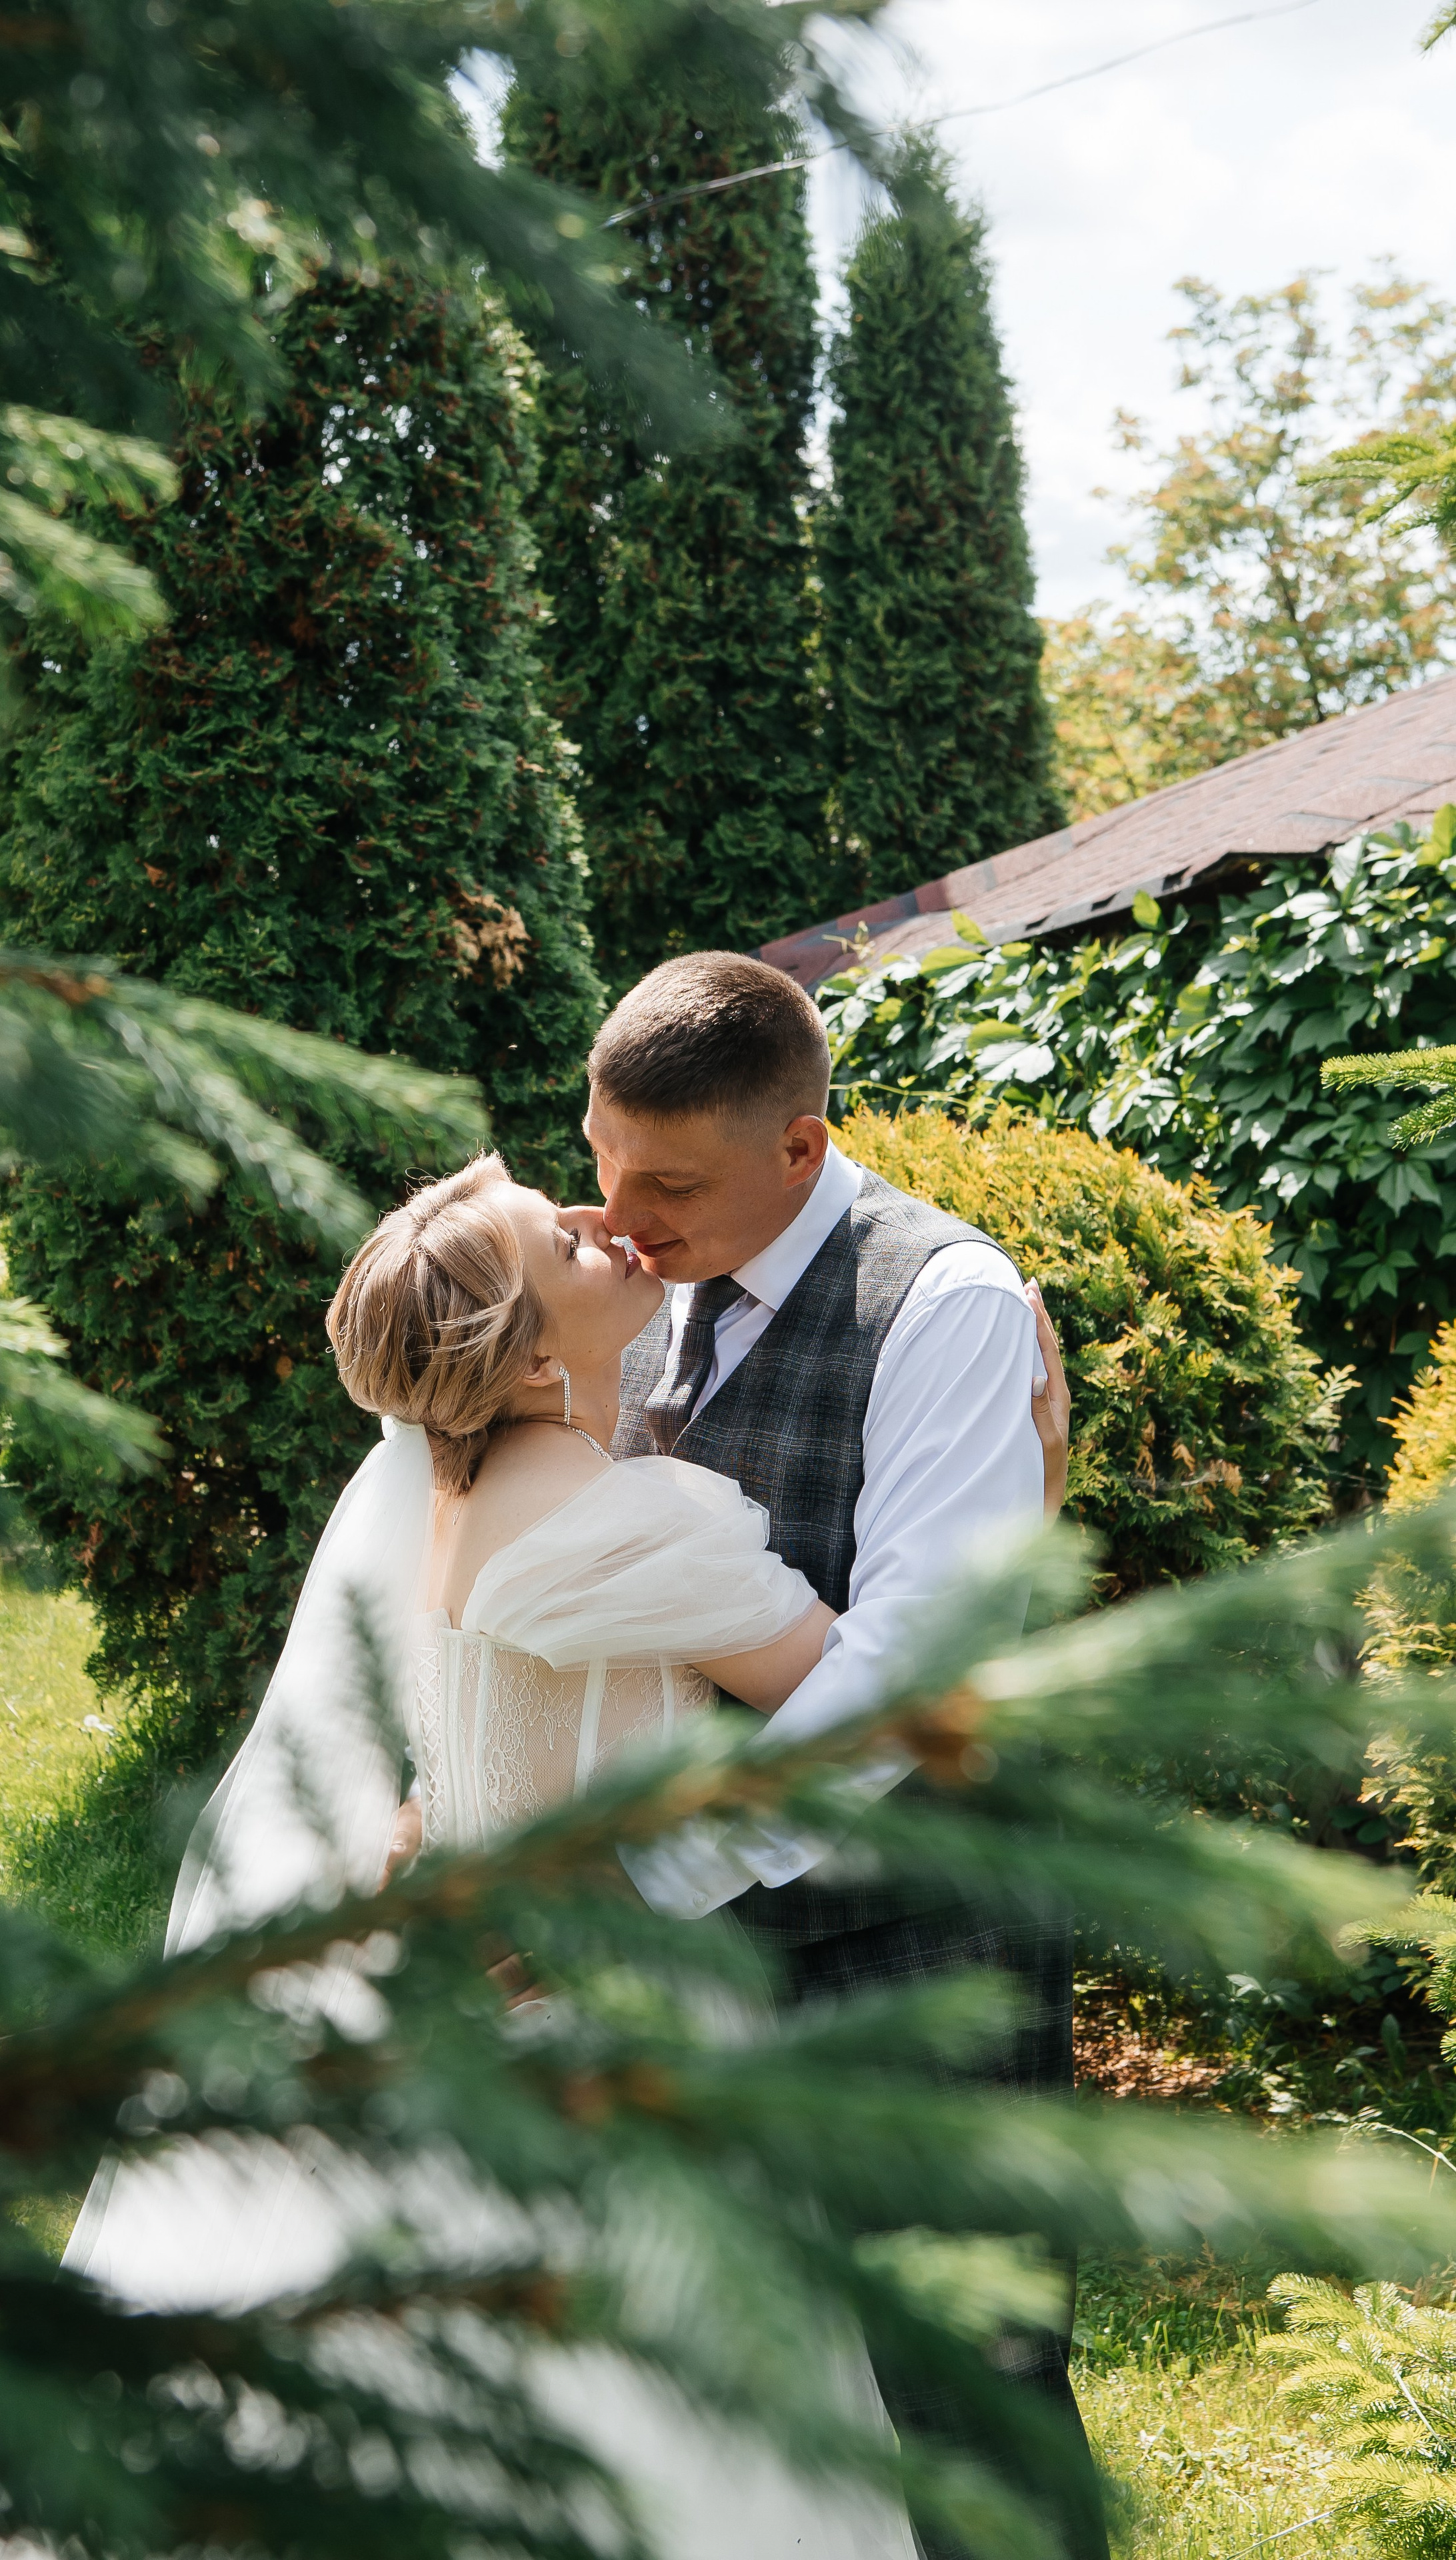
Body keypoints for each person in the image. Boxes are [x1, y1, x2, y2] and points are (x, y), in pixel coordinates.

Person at [41, 1116, 1070, 2560]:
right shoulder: (615, 1526)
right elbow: (869, 1690)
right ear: (529, 1359)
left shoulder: (446, 1479)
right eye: (560, 1235)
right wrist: (1027, 1491)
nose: (603, 1219)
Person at [582, 951, 1105, 2560]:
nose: (621, 1214)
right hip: (714, 1967)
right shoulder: (653, 1291)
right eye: (604, 1166)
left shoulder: (939, 1299)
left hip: (921, 1940)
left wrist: (643, 1872)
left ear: (797, 1149)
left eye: (664, 1181)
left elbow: (906, 1674)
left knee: (968, 2394)